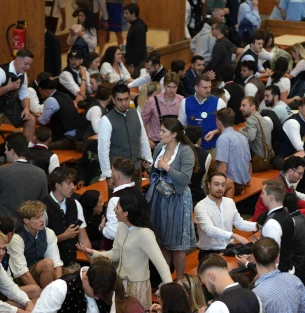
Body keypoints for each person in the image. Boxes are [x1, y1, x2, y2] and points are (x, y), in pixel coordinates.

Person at [79, 194, 172, 310]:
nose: (114, 210)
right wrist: (92, 252)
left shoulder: (145, 234)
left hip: (137, 287)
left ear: (126, 213)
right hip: (120, 283)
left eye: (117, 207)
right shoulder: (121, 227)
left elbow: (161, 264)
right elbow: (115, 254)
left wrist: (170, 292)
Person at [147, 119, 196, 279]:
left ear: (174, 134)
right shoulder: (159, 148)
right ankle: (166, 279)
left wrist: (167, 167)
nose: (159, 134)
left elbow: (185, 179)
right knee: (162, 242)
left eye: (163, 131)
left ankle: (180, 280)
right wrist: (150, 169)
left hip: (177, 199)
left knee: (177, 244)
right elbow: (155, 173)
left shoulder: (186, 151)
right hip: (159, 196)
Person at [0, 49, 36, 163]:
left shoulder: (23, 74)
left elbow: (24, 95)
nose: (28, 67)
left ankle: (23, 156)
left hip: (8, 108)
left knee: (30, 120)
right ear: (17, 60)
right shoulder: (0, 71)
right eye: (26, 64)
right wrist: (8, 88)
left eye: (29, 64)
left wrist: (26, 108)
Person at [194, 171, 256, 263]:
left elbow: (239, 223)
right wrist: (233, 235)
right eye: (216, 184)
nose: (220, 188)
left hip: (230, 249)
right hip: (210, 252)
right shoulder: (200, 207)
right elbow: (210, 230)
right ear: (208, 185)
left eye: (223, 185)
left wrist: (258, 225)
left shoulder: (229, 202)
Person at [0, 134, 48, 220]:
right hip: (31, 225)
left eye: (6, 149)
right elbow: (43, 205)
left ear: (12, 151)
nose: (5, 152)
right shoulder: (41, 173)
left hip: (7, 226)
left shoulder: (2, 172)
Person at [97, 84, 152, 181]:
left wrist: (149, 161)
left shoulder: (136, 113)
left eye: (126, 99)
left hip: (136, 169)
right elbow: (103, 150)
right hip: (118, 174)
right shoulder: (106, 120)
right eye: (120, 100)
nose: (124, 103)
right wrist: (108, 174)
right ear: (113, 100)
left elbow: (143, 139)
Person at [101, 157, 147, 249]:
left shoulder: (116, 199)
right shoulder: (140, 194)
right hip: (138, 246)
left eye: (112, 171)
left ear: (118, 176)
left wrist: (103, 228)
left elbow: (113, 233)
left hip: (118, 250)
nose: (111, 174)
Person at [179, 74, 225, 151]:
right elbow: (181, 126)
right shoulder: (185, 102)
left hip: (213, 147)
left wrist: (215, 132)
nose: (208, 90)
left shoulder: (219, 102)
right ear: (196, 88)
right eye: (205, 88)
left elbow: (226, 126)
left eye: (210, 87)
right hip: (192, 149)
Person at [212, 107, 251, 198]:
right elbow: (249, 164)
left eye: (216, 120)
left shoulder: (223, 139)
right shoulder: (242, 137)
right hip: (243, 184)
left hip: (233, 186)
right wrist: (248, 184)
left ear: (219, 122)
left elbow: (222, 168)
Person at [122, 4, 146, 72]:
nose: (124, 15)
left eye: (127, 13)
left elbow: (139, 48)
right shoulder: (134, 25)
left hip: (136, 65)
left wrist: (132, 64)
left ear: (133, 14)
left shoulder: (138, 28)